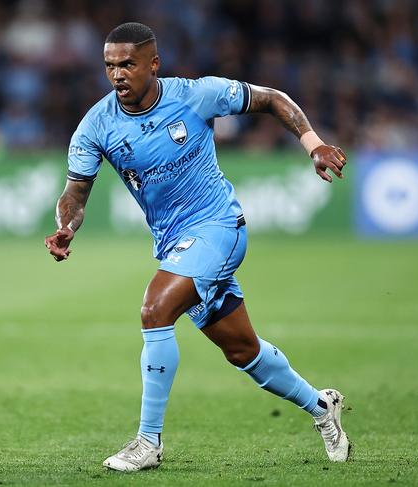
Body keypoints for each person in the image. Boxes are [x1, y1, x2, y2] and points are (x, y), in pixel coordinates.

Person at [44, 22, 350, 472]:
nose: (117, 75)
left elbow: (271, 99)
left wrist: (314, 144)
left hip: (219, 227)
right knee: (243, 351)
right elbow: (75, 194)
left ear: (153, 63)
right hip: (173, 243)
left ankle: (148, 442)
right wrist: (67, 226)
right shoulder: (96, 126)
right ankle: (323, 409)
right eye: (109, 65)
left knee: (155, 309)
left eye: (127, 64)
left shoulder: (196, 94)